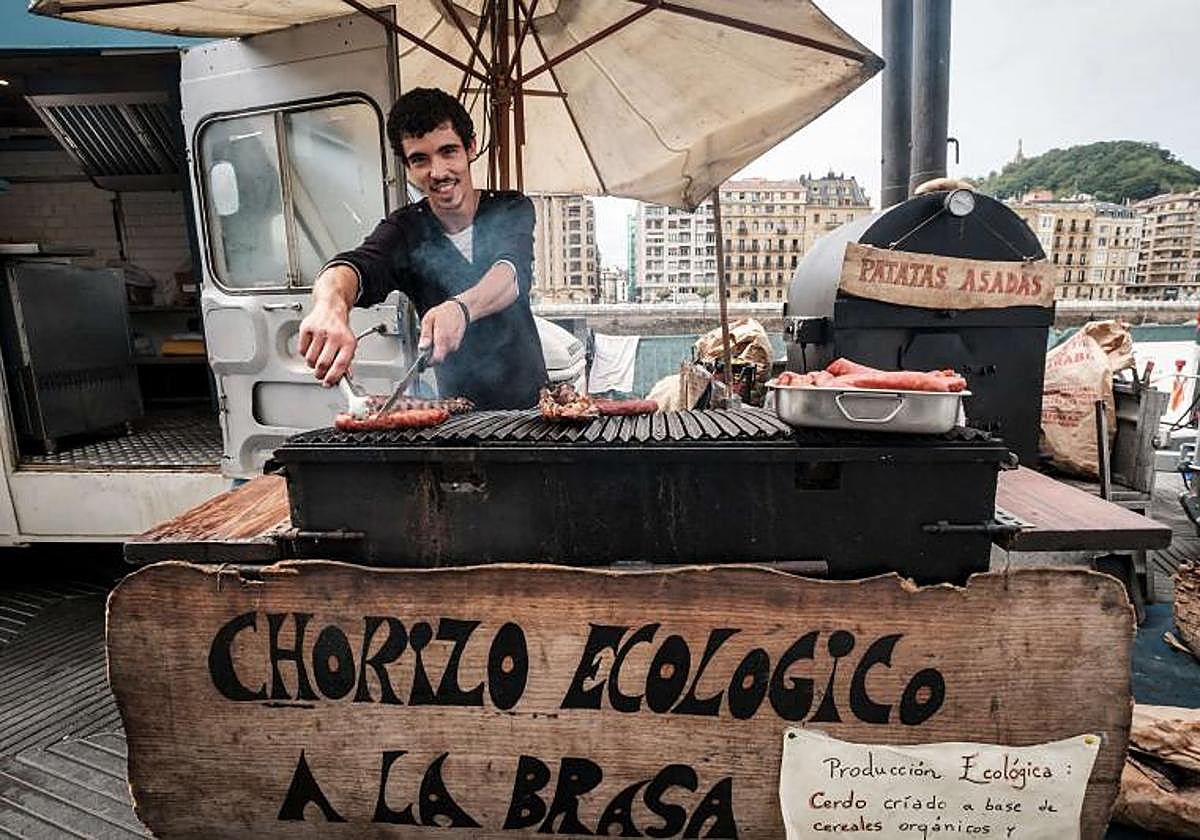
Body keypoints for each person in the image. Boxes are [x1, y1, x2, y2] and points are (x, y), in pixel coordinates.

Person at [298, 87, 546, 410]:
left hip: (533, 409)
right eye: (420, 160)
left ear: (470, 148)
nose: (438, 172)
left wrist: (461, 308)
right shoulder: (406, 230)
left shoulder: (510, 207)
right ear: (407, 166)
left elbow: (510, 275)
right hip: (458, 417)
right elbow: (355, 266)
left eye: (448, 152)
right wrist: (330, 305)